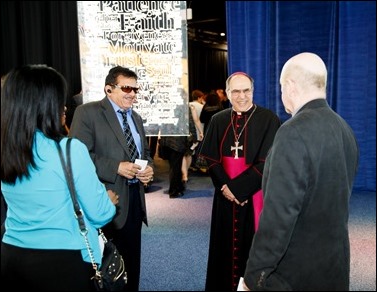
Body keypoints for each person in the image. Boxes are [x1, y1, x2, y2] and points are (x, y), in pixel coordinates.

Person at [241, 52, 359, 291]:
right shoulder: (345, 129)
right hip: (335, 267)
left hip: (295, 275)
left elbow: (278, 217)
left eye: (282, 87)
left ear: (290, 86)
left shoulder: (291, 132)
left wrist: (254, 278)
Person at [1, 64, 117, 290]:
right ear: (44, 105)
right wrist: (108, 199)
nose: (64, 106)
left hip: (11, 255)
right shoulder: (70, 150)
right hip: (63, 260)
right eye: (58, 99)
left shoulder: (6, 149)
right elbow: (100, 213)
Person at [69, 66, 154, 291]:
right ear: (109, 88)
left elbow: (144, 154)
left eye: (136, 89)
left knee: (132, 263)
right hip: (104, 200)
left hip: (135, 200)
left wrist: (149, 170)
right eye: (127, 87)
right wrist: (115, 167)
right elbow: (78, 156)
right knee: (105, 267)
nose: (133, 93)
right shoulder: (87, 113)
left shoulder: (136, 117)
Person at [199, 72, 281, 291]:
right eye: (236, 91)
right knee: (223, 248)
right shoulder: (218, 119)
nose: (242, 96)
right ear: (227, 94)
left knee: (253, 248)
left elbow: (268, 161)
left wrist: (238, 190)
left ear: (253, 91)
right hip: (225, 197)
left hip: (254, 196)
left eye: (246, 90)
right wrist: (226, 188)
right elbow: (211, 159)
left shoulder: (269, 119)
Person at [159, 106, 197, 198]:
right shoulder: (184, 107)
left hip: (167, 139)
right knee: (176, 166)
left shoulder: (165, 106)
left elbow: (160, 123)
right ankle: (174, 190)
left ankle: (178, 187)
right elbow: (190, 123)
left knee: (174, 165)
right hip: (178, 139)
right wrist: (194, 136)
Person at [181, 103, 204, 183]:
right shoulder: (191, 107)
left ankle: (185, 175)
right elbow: (196, 120)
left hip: (181, 132)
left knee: (183, 154)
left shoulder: (176, 106)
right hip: (191, 133)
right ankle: (185, 172)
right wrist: (201, 132)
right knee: (189, 154)